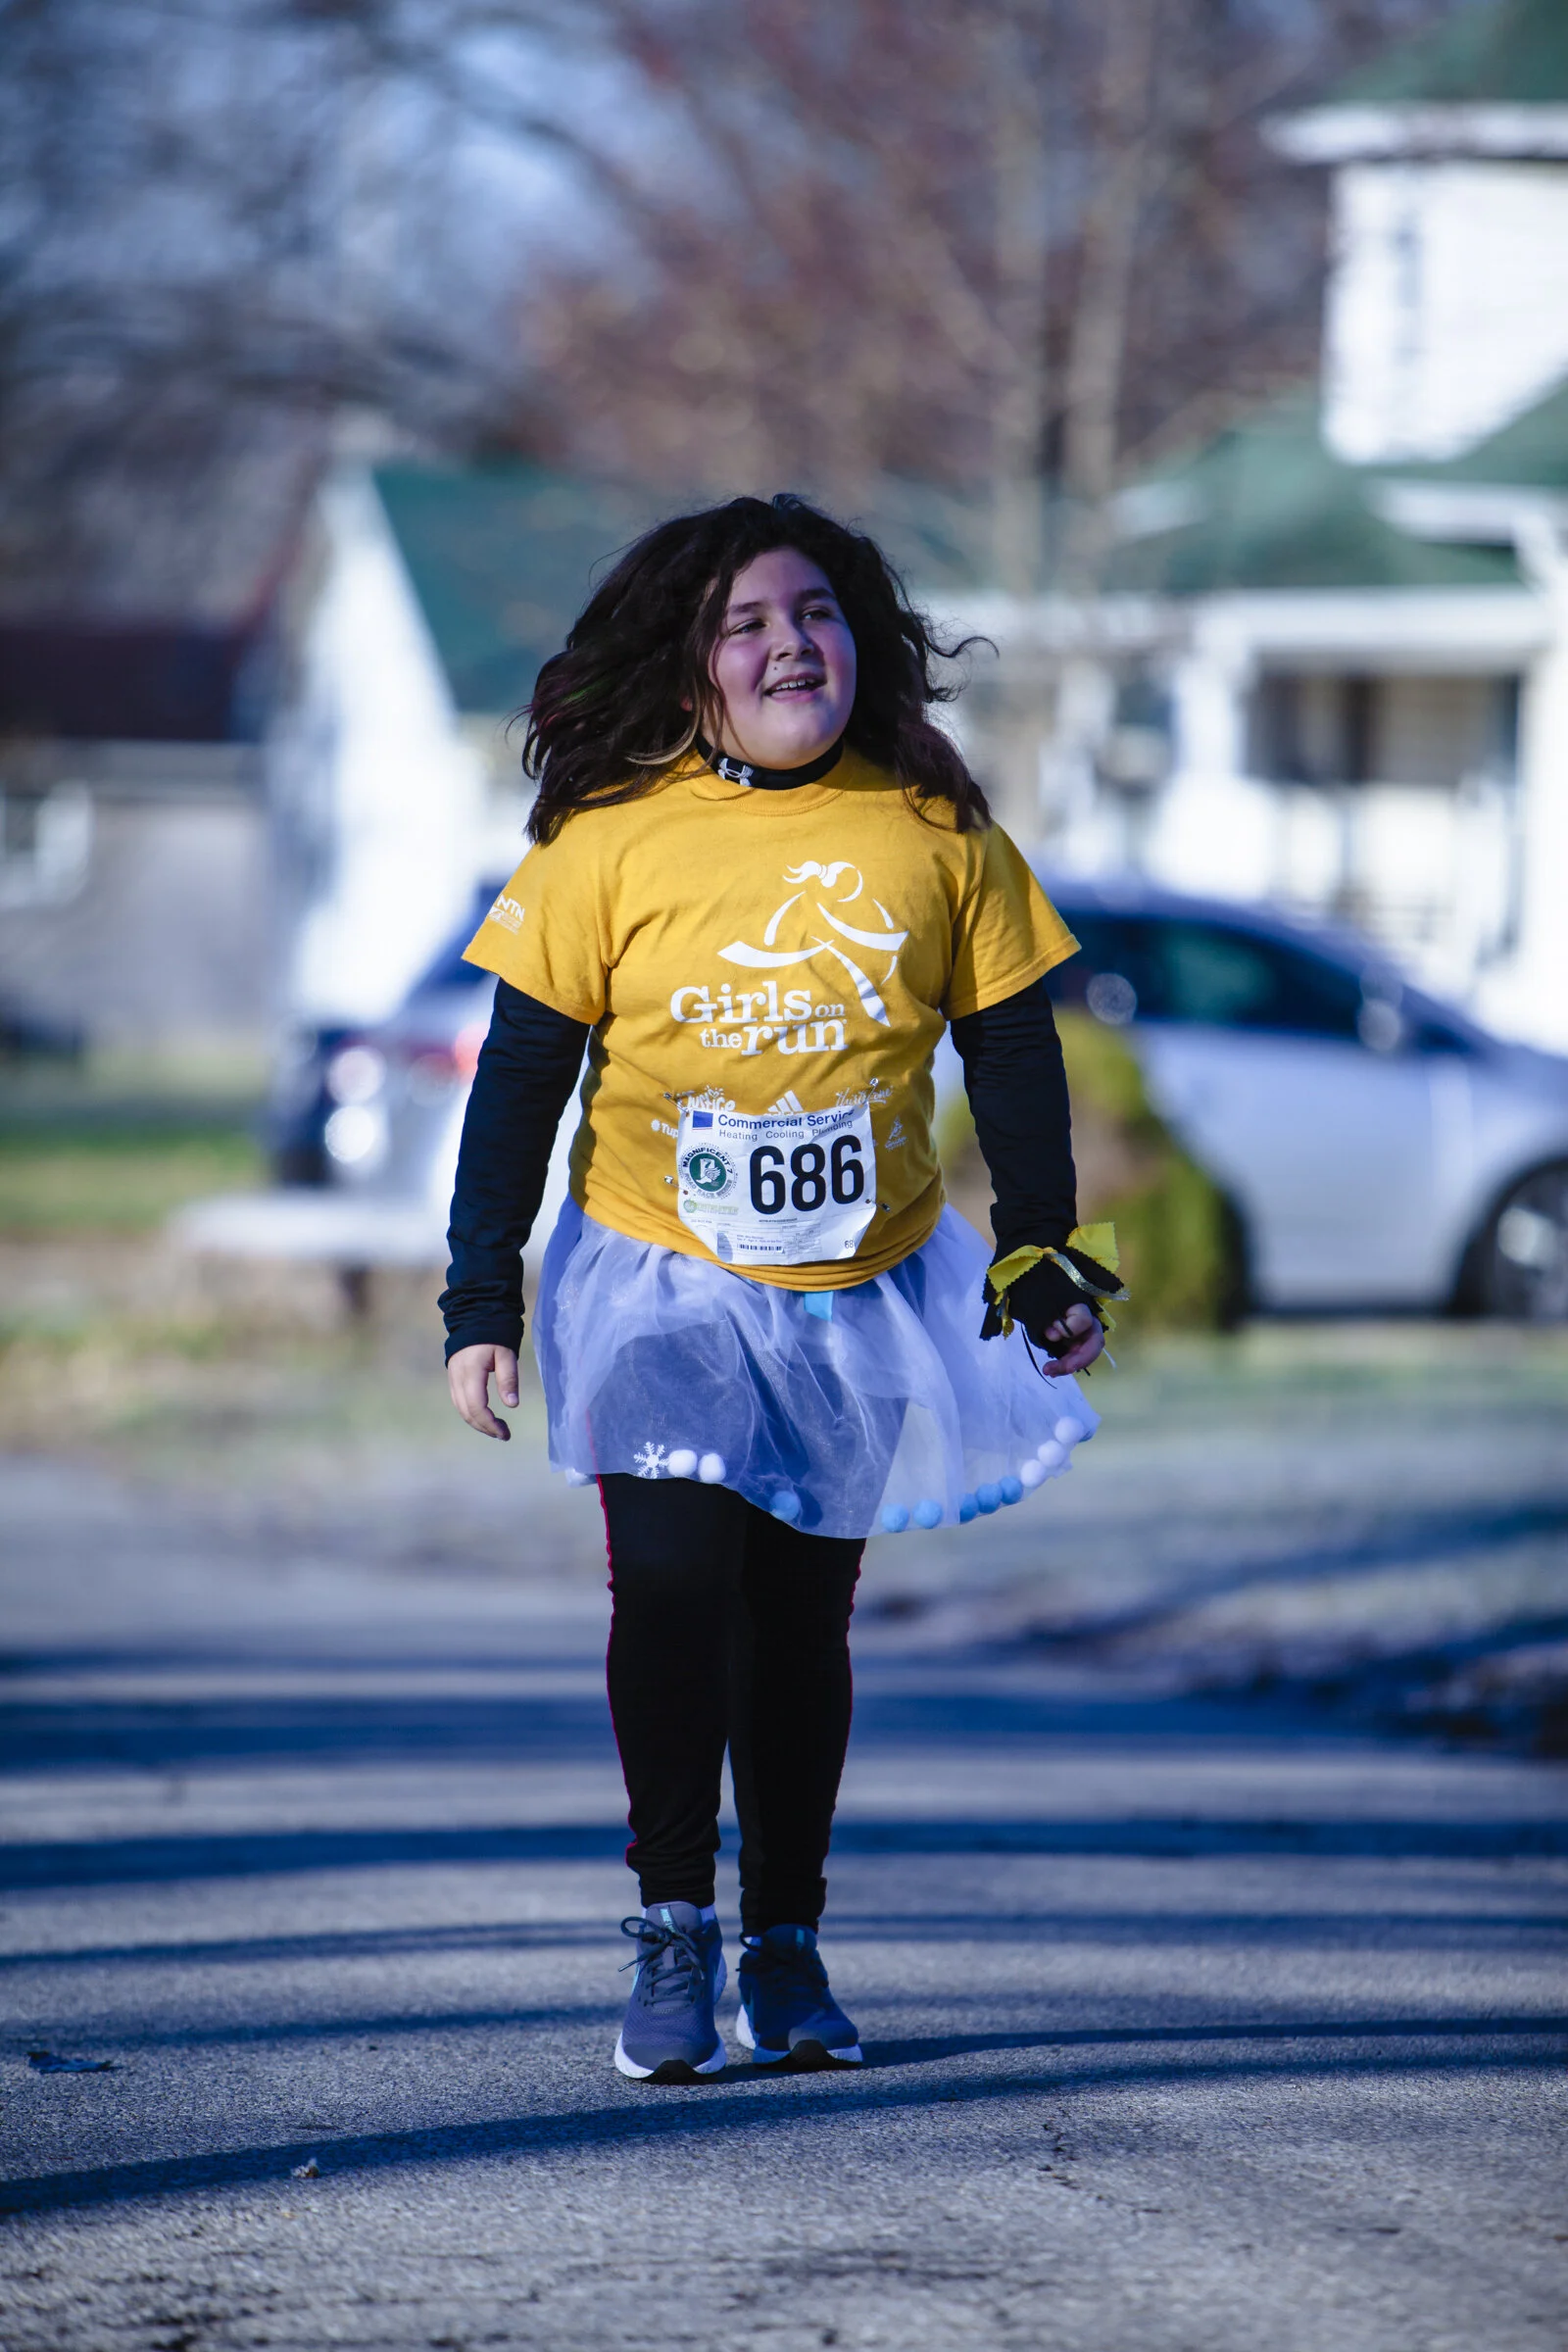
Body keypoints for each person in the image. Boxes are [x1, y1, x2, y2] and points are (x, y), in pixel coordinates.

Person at [440, 494, 1121, 2085]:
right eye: (745, 623)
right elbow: (519, 1079)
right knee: (673, 1590)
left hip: (853, 1285)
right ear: (693, 670)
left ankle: (786, 1941)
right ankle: (672, 1931)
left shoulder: (936, 830)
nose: (786, 643)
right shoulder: (609, 839)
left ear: (855, 638)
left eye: (812, 612)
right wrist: (484, 1300)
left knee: (799, 1620)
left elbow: (1011, 1049)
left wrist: (1036, 1247)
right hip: (659, 1276)